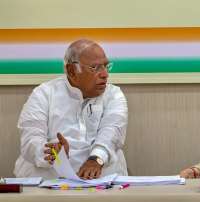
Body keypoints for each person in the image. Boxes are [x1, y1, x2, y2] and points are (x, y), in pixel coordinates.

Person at [14, 39, 128, 179]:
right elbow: (31, 139)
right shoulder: (44, 94)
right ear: (72, 71)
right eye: (95, 68)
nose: (105, 74)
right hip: (49, 183)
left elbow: (112, 132)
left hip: (102, 181)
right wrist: (50, 152)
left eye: (106, 66)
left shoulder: (114, 95)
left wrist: (96, 159)